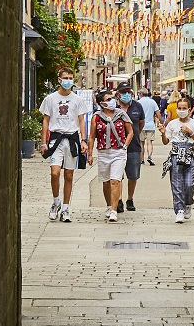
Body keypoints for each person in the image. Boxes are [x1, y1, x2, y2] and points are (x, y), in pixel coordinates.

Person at [38, 71, 88, 223]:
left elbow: (81, 121)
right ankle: (56, 202)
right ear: (59, 79)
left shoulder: (77, 100)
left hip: (71, 138)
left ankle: (66, 207)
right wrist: (43, 142)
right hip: (56, 138)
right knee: (55, 172)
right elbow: (46, 120)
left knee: (69, 175)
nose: (68, 81)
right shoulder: (50, 99)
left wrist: (83, 140)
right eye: (65, 78)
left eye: (70, 78)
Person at [90, 92, 134, 223]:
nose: (112, 101)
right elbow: (92, 136)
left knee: (115, 180)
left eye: (112, 98)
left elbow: (130, 131)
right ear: (101, 103)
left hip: (118, 152)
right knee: (106, 181)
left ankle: (114, 210)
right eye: (108, 99)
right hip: (103, 152)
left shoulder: (121, 114)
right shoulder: (96, 117)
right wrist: (90, 154)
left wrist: (125, 146)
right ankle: (109, 205)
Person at [164, 97, 194, 223]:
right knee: (176, 183)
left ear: (189, 109)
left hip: (189, 155)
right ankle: (179, 210)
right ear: (176, 109)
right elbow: (166, 141)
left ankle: (188, 203)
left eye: (184, 108)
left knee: (189, 184)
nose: (182, 110)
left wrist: (190, 132)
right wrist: (162, 133)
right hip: (175, 154)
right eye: (179, 108)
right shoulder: (172, 124)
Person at [118, 88, 146, 212]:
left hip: (134, 146)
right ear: (118, 94)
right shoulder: (114, 107)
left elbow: (141, 123)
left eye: (128, 92)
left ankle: (130, 199)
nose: (126, 95)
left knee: (133, 175)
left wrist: (134, 134)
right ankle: (118, 199)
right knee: (117, 175)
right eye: (123, 92)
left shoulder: (137, 106)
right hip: (117, 146)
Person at [134, 85, 163, 209]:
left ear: (140, 94)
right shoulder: (152, 102)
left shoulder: (138, 102)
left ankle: (141, 159)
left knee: (141, 143)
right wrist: (161, 121)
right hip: (150, 125)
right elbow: (158, 113)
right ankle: (150, 156)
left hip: (141, 125)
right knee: (150, 143)